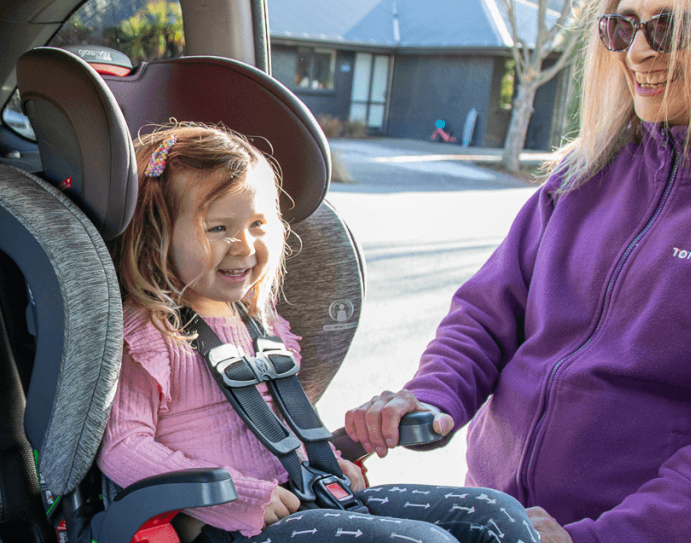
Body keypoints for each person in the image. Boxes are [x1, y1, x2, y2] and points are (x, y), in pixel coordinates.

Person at [344, 0, 691, 542]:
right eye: (621, 27)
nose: (638, 51)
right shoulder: (585, 172)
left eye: (667, 27)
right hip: (495, 516)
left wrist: (594, 539)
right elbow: (485, 317)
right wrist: (431, 393)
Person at [98, 123, 539, 543]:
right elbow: (122, 448)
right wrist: (236, 497)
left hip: (312, 498)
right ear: (158, 235)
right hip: (235, 527)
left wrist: (328, 461)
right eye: (218, 228)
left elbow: (273, 426)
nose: (245, 246)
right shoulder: (151, 334)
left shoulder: (261, 326)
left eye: (257, 224)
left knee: (496, 515)